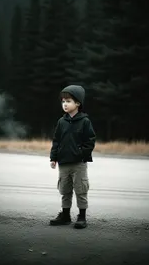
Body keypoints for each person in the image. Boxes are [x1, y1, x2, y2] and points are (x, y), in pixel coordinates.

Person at [49, 85, 96, 229]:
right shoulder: (61, 122)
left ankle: (82, 217)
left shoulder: (85, 121)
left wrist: (81, 154)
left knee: (81, 189)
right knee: (65, 189)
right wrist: (53, 157)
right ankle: (65, 215)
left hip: (78, 163)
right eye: (63, 101)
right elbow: (56, 140)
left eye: (68, 101)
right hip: (63, 162)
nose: (65, 104)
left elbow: (90, 141)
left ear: (78, 103)